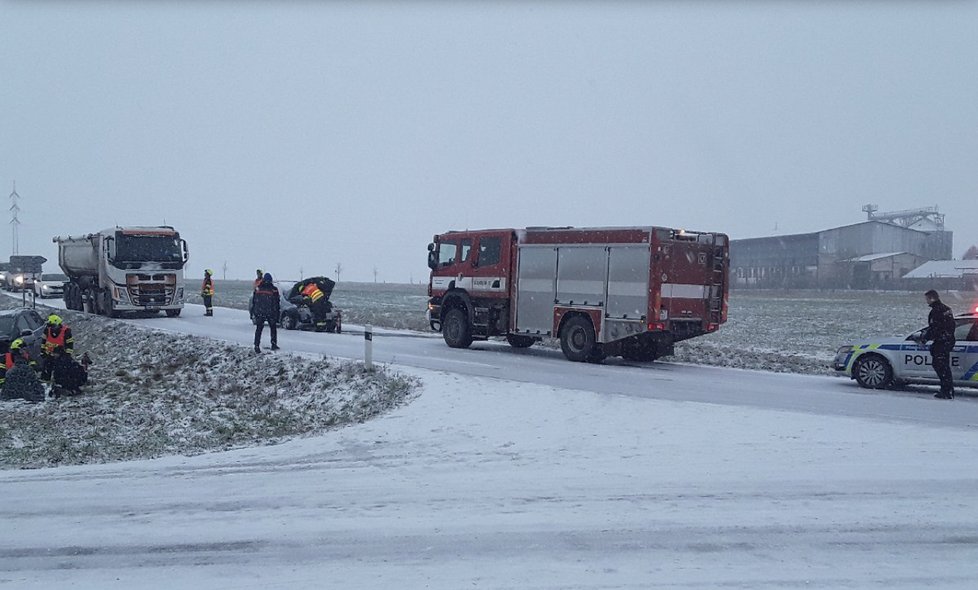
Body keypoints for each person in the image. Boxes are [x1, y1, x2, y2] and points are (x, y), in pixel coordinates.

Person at [920, 289, 956, 399]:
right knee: (944, 367)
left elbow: (935, 328)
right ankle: (948, 389)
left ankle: (946, 390)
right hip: (947, 340)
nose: (926, 301)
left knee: (940, 366)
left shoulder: (936, 311)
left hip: (941, 342)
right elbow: (951, 325)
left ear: (931, 298)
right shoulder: (946, 309)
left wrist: (925, 338)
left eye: (927, 299)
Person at [252, 272, 280, 353]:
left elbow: (254, 301)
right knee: (273, 328)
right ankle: (273, 344)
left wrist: (255, 312)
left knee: (259, 329)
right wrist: (276, 314)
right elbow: (277, 302)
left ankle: (256, 345)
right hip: (270, 312)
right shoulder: (274, 289)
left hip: (260, 312)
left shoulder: (258, 288)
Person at [40, 314, 73, 380]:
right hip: (49, 355)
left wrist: (66, 356)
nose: (52, 328)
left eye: (53, 326)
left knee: (60, 373)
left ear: (58, 324)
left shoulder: (66, 332)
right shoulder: (47, 330)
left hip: (61, 356)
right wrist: (42, 352)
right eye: (50, 326)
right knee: (45, 371)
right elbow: (43, 342)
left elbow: (70, 346)